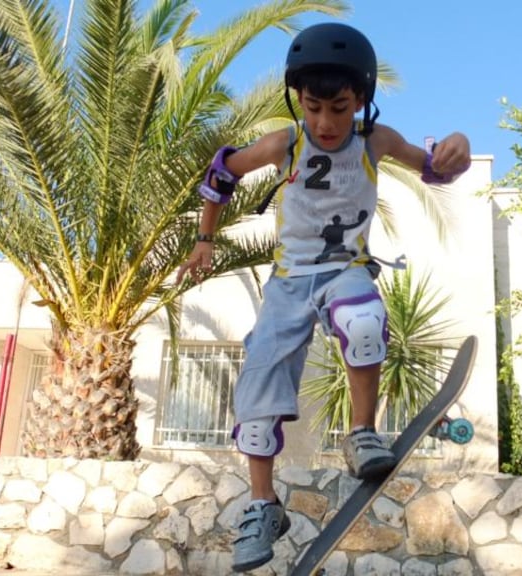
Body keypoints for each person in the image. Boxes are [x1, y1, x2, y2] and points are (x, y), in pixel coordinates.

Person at [176, 22, 472, 573]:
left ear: (360, 100)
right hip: (289, 282)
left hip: (346, 269)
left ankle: (361, 434)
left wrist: (458, 146)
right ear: (299, 100)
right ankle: (263, 506)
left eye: (339, 108)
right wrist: (204, 240)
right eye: (313, 108)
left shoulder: (375, 142)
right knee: (257, 399)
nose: (326, 123)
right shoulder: (283, 144)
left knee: (363, 323)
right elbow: (220, 172)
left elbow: (434, 167)